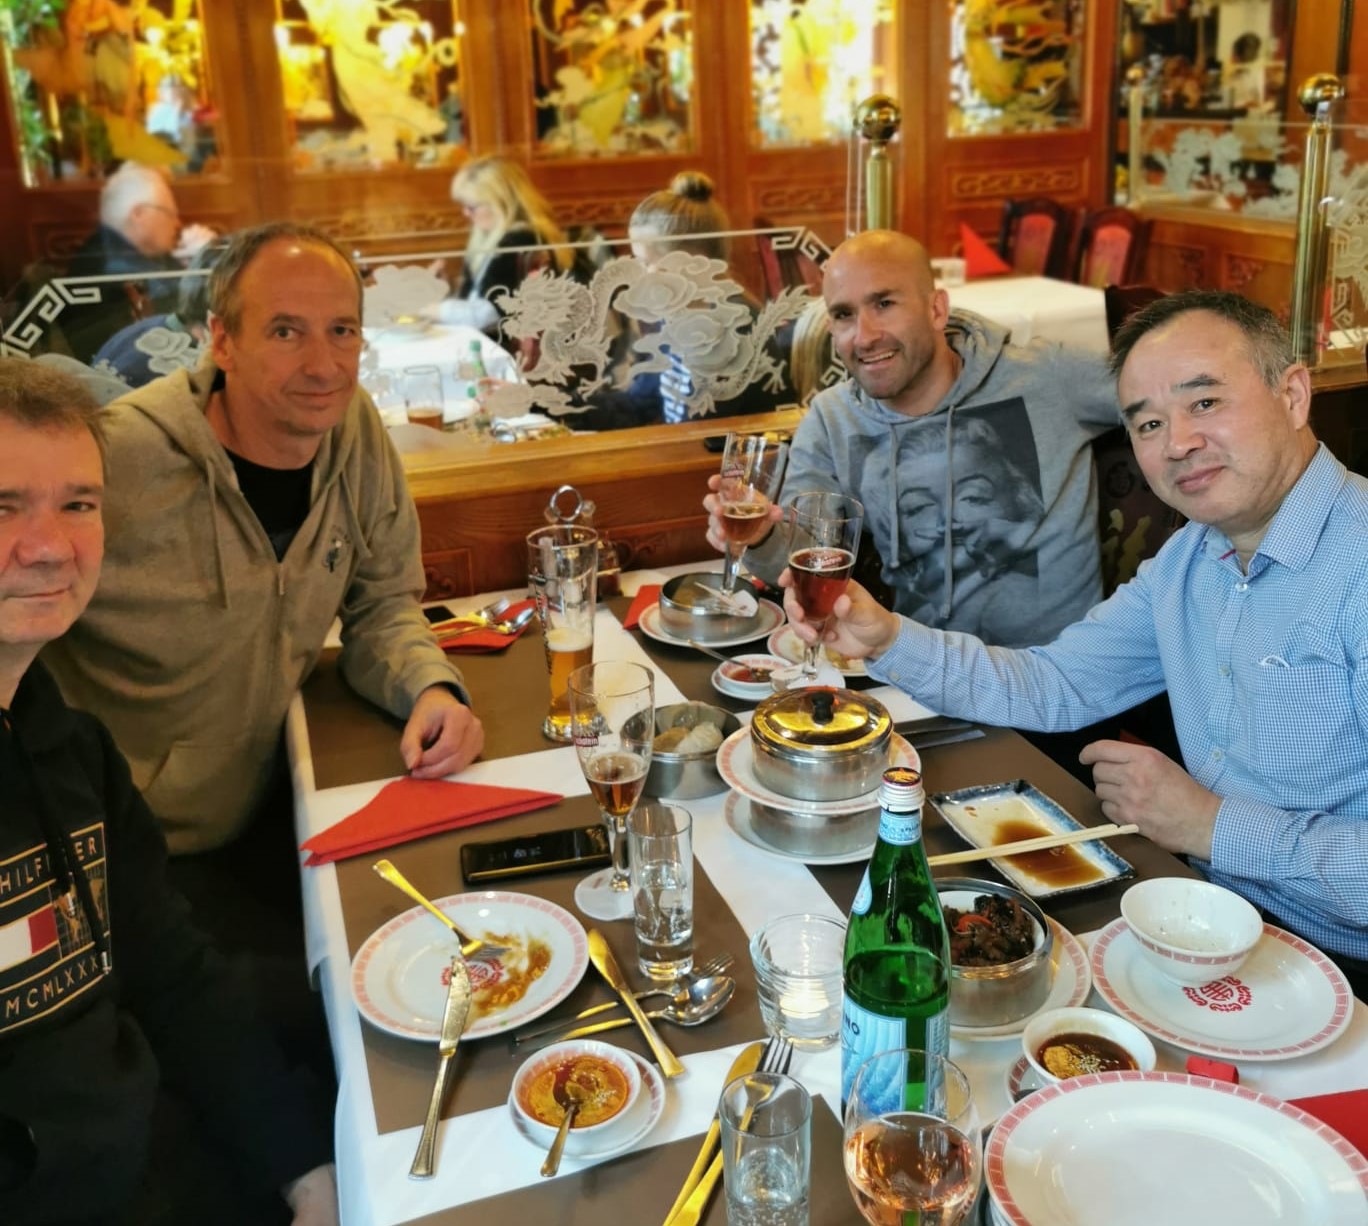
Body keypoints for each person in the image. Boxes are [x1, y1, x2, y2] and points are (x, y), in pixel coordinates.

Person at [784, 290, 1368, 994]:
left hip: (1337, 965)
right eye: (1148, 423)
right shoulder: (1191, 559)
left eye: (1206, 402)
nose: (1177, 442)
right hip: (1197, 917)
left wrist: (1212, 826)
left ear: (1293, 395)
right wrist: (885, 638)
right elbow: (1055, 684)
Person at [42, 222, 484, 945]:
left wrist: (430, 689)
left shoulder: (354, 431)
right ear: (222, 341)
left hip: (280, 802)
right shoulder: (119, 458)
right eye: (285, 332)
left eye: (342, 331)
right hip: (137, 854)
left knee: (450, 933)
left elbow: (381, 602)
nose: (323, 365)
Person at [0, 358, 337, 1225]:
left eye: (78, 504)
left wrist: (303, 1169)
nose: (49, 546)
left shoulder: (71, 750)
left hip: (153, 1158)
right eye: (4, 507)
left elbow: (172, 979)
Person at [709, 228, 1119, 649]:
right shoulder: (833, 419)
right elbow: (805, 557)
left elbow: (1157, 395)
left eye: (884, 304)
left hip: (1053, 673)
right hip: (916, 668)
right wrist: (759, 536)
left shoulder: (1046, 377)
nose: (865, 336)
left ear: (937, 309)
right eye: (844, 315)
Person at [566, 171, 796, 430]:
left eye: (647, 263)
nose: (640, 276)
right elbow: (639, 404)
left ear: (693, 262)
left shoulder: (733, 328)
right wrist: (561, 405)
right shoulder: (677, 317)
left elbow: (706, 434)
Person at [62, 162, 214, 363]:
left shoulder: (112, 247)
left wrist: (189, 264)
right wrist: (204, 264)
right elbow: (180, 315)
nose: (177, 223)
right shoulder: (115, 267)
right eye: (169, 213)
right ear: (139, 214)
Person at [443, 154, 572, 331]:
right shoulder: (491, 237)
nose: (465, 213)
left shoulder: (521, 240)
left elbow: (490, 314)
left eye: (472, 207)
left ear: (501, 204)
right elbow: (473, 298)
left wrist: (435, 310)